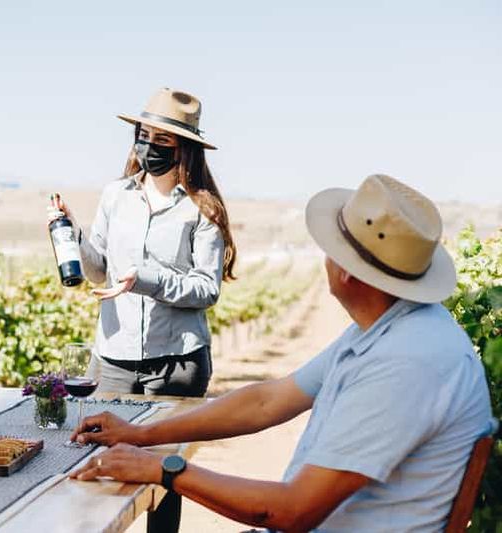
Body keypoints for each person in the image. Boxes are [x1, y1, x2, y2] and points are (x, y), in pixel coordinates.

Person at [70, 174, 497, 532]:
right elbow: (267, 401)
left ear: (346, 270)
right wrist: (141, 435)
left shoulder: (407, 363)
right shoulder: (391, 331)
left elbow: (292, 510)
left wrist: (165, 470)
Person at [49, 88, 236, 531]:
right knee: (98, 471)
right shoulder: (116, 195)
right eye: (142, 134)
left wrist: (145, 277)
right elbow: (99, 271)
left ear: (182, 149)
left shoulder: (201, 209)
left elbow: (205, 289)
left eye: (160, 139)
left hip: (176, 365)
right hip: (112, 361)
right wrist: (71, 235)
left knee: (164, 482)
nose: (147, 146)